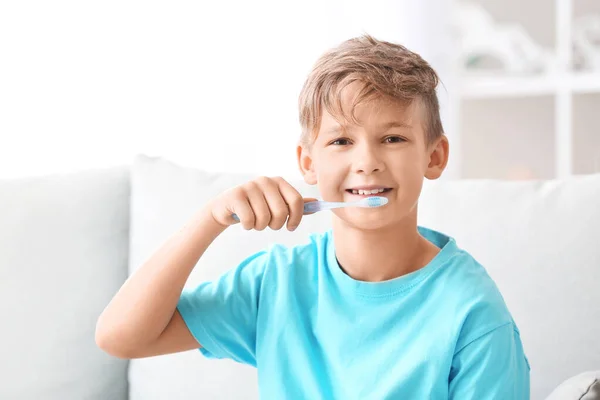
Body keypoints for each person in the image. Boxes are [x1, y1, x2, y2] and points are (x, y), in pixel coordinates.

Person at [96, 34, 531, 399]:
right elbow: (121, 336)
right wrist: (211, 217)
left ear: (434, 157)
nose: (367, 162)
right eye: (342, 141)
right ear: (308, 163)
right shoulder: (278, 283)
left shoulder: (472, 311)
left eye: (393, 137)